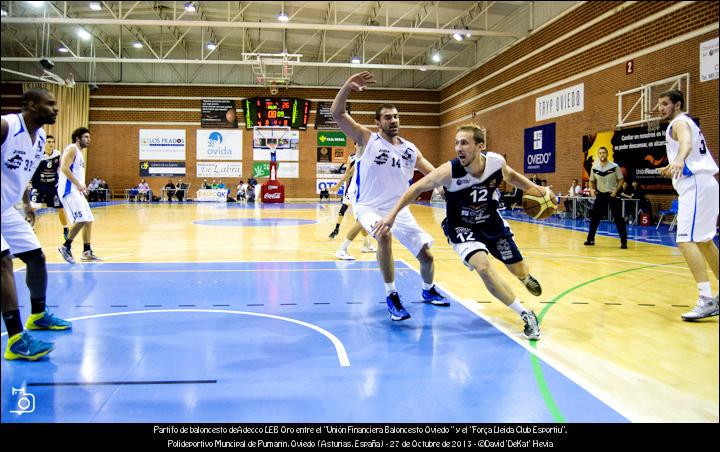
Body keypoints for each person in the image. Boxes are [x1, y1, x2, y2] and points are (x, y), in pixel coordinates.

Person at [375, 125, 544, 340]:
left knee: (519, 270)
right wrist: (392, 214)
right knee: (483, 267)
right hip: (461, 226)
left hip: (491, 222)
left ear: (480, 146)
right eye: (456, 143)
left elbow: (512, 177)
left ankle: (524, 276)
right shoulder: (449, 171)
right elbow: (416, 188)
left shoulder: (495, 163)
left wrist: (538, 192)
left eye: (464, 143)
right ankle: (526, 314)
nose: (458, 148)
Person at [330, 71, 449, 321]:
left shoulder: (409, 149)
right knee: (383, 235)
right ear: (378, 122)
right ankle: (391, 295)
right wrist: (347, 87)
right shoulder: (366, 139)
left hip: (398, 209)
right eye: (387, 117)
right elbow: (337, 114)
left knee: (426, 255)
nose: (393, 120)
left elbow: (434, 172)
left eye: (395, 116)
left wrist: (447, 185)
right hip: (368, 207)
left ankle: (428, 290)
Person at [2, 87, 72, 361]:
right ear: (31, 106)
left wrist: (27, 203)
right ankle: (16, 340)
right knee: (3, 262)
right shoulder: (7, 126)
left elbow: (20, 173)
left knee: (36, 257)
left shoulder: (41, 136)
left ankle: (38, 315)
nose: (56, 109)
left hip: (6, 207)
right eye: (50, 104)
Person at [658, 89, 719, 320]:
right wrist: (672, 165)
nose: (661, 108)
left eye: (665, 103)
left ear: (678, 104)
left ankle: (705, 299)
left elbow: (686, 143)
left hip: (695, 186)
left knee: (685, 240)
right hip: (705, 184)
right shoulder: (687, 122)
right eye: (660, 104)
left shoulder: (680, 122)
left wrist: (680, 158)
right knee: (704, 241)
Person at [57, 127, 102, 263]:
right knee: (81, 219)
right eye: (86, 137)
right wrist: (78, 184)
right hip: (68, 190)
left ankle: (86, 251)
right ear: (78, 138)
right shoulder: (72, 148)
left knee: (88, 219)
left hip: (77, 190)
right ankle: (66, 246)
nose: (89, 140)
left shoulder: (80, 153)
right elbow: (64, 168)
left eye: (89, 137)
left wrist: (82, 187)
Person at [330, 143, 377, 260]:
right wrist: (338, 185)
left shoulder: (366, 158)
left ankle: (366, 245)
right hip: (357, 193)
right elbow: (349, 172)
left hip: (362, 193)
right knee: (362, 220)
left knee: (362, 221)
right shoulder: (361, 159)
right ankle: (342, 249)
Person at [584, 147, 628, 249]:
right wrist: (591, 190)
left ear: (607, 154)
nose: (602, 155)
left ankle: (624, 241)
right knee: (594, 217)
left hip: (612, 194)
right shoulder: (594, 167)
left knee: (618, 218)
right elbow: (591, 181)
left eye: (603, 153)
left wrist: (616, 190)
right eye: (600, 153)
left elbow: (621, 180)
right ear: (598, 155)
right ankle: (590, 239)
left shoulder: (614, 166)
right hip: (601, 195)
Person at [30, 134, 70, 240]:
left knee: (61, 208)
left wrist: (61, 182)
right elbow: (30, 168)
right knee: (33, 208)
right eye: (49, 142)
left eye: (52, 142)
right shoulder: (37, 154)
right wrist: (28, 181)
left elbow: (61, 169)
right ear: (44, 144)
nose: (51, 144)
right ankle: (30, 228)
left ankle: (66, 229)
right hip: (38, 185)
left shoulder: (57, 154)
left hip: (52, 186)